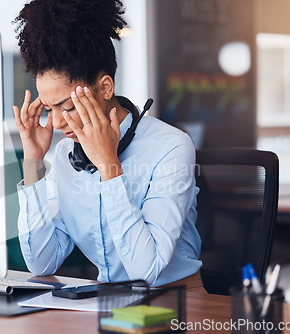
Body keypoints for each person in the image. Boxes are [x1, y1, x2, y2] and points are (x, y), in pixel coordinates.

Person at [12, 0, 202, 286]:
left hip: (177, 301)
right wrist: (33, 161)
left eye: (68, 106)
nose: (58, 123)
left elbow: (145, 272)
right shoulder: (66, 154)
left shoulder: (171, 147)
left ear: (105, 87)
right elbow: (42, 262)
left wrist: (109, 166)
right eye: (50, 109)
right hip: (105, 305)